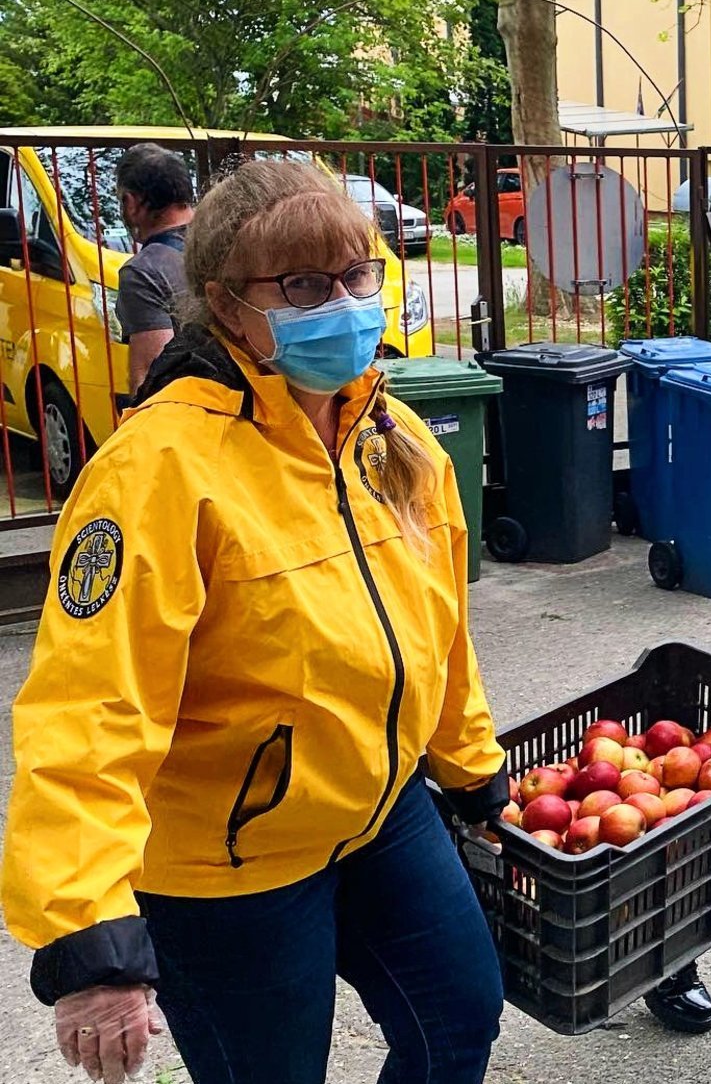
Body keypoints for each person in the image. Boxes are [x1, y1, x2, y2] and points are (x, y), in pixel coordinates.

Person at [2, 159, 507, 1084]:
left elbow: (440, 629)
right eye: (305, 284)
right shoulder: (157, 469)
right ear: (227, 305)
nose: (346, 301)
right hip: (227, 866)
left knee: (459, 1018)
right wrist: (89, 935)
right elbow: (90, 708)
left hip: (378, 813)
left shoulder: (396, 441)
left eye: (359, 275)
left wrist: (469, 765)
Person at [114, 143, 195, 394]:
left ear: (131, 203)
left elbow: (151, 377)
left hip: (195, 416)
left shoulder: (143, 273)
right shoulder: (230, 238)